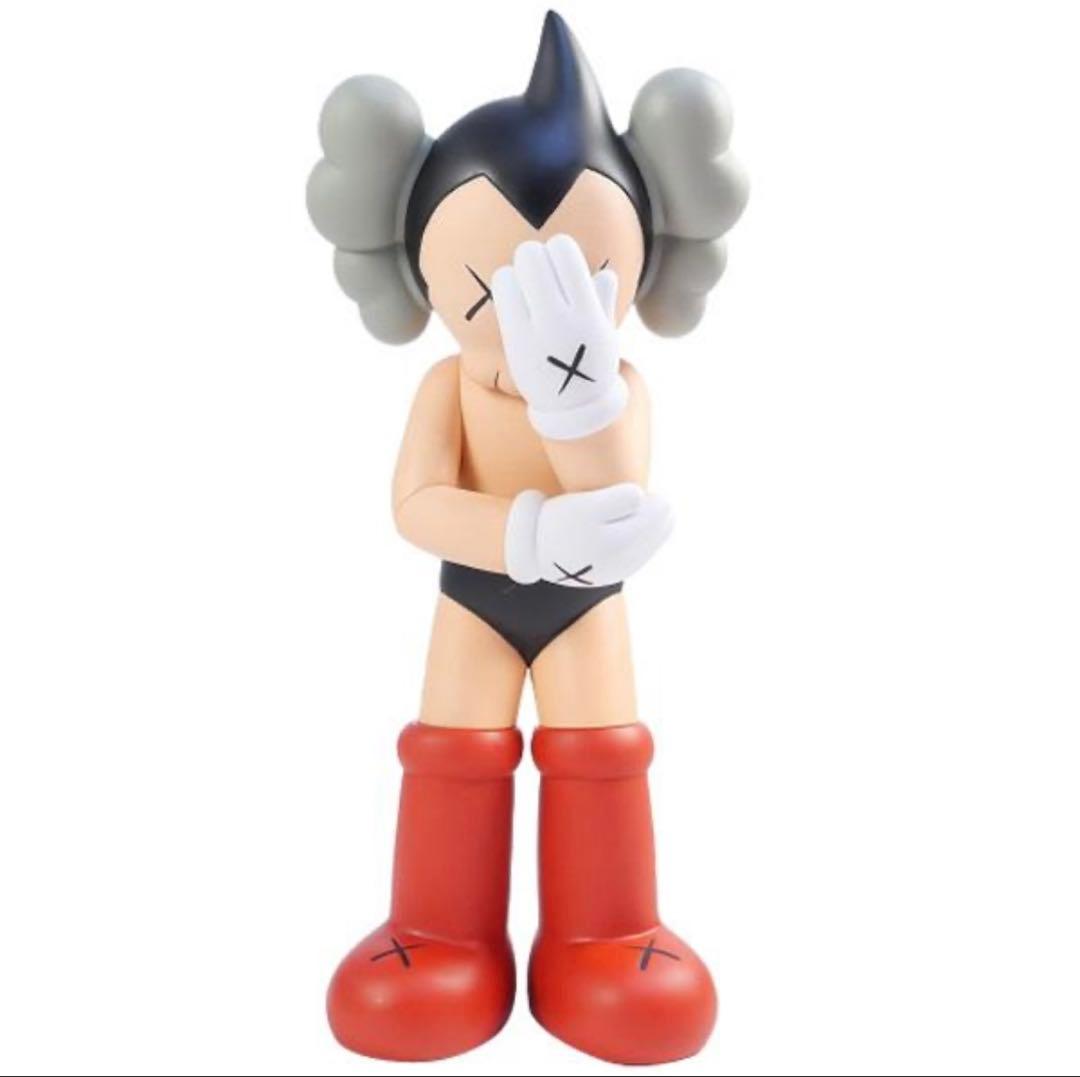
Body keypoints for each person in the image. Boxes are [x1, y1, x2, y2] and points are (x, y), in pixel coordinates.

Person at [306, 10, 747, 1063]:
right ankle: (439, 932)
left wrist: (579, 401)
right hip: (475, 599)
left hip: (588, 612)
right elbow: (417, 504)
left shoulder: (624, 387)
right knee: (453, 753)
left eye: (579, 286)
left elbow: (618, 491)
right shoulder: (444, 388)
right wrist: (533, 531)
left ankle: (607, 936)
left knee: (602, 756)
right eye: (487, 293)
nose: (529, 324)